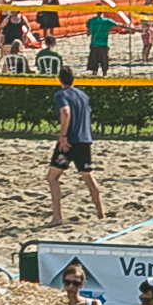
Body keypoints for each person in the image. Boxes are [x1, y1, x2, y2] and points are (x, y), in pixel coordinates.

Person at [44, 65, 106, 223]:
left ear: (59, 79)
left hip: (69, 142)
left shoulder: (61, 94)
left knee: (52, 178)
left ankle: (57, 216)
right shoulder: (83, 95)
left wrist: (63, 136)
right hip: (84, 140)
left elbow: (65, 112)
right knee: (88, 177)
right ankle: (101, 214)